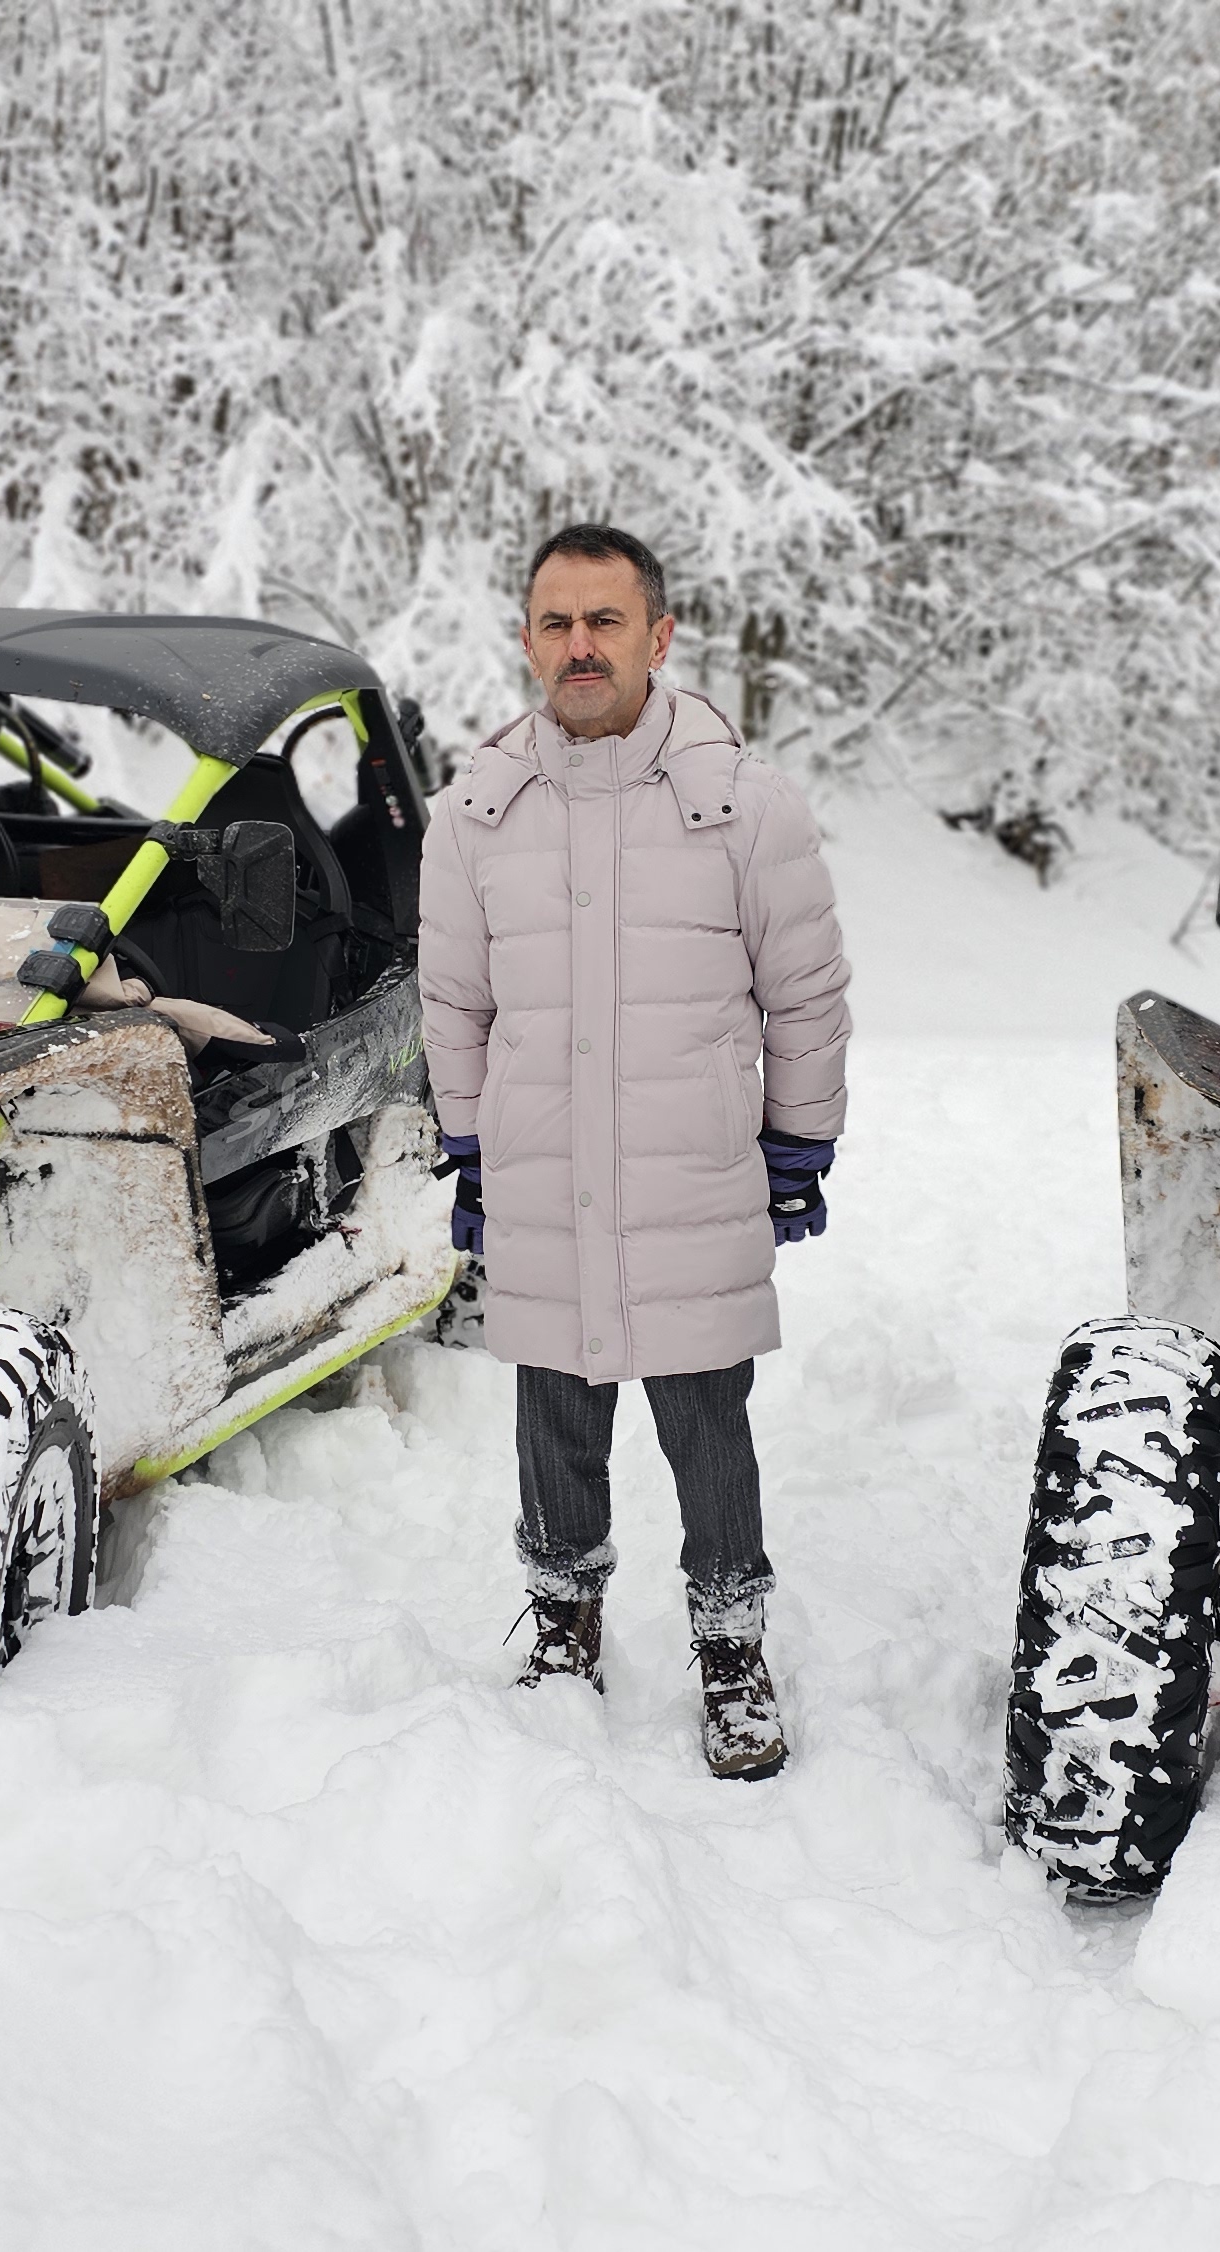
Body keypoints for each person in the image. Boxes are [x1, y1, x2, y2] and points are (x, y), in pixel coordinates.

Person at [415, 523, 854, 1781]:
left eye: (605, 621)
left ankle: (730, 1646)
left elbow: (805, 992)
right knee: (552, 1403)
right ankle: (563, 1626)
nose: (580, 646)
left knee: (706, 1413)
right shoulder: (474, 812)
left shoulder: (745, 804)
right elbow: (455, 1000)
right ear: (526, 640)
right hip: (544, 1161)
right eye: (555, 623)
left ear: (659, 637)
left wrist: (796, 1139)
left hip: (690, 1160)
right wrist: (469, 1141)